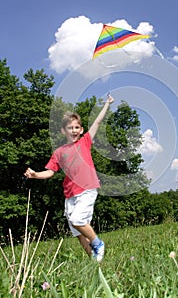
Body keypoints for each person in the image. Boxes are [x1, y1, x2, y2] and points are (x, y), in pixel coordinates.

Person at [24, 94, 114, 262]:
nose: (74, 131)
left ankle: (98, 243)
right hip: (70, 194)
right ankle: (95, 260)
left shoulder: (85, 142)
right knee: (77, 230)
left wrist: (107, 104)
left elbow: (97, 122)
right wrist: (35, 175)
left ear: (80, 130)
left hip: (87, 188)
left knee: (77, 220)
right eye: (70, 128)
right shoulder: (59, 152)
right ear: (63, 130)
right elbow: (50, 172)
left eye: (77, 127)